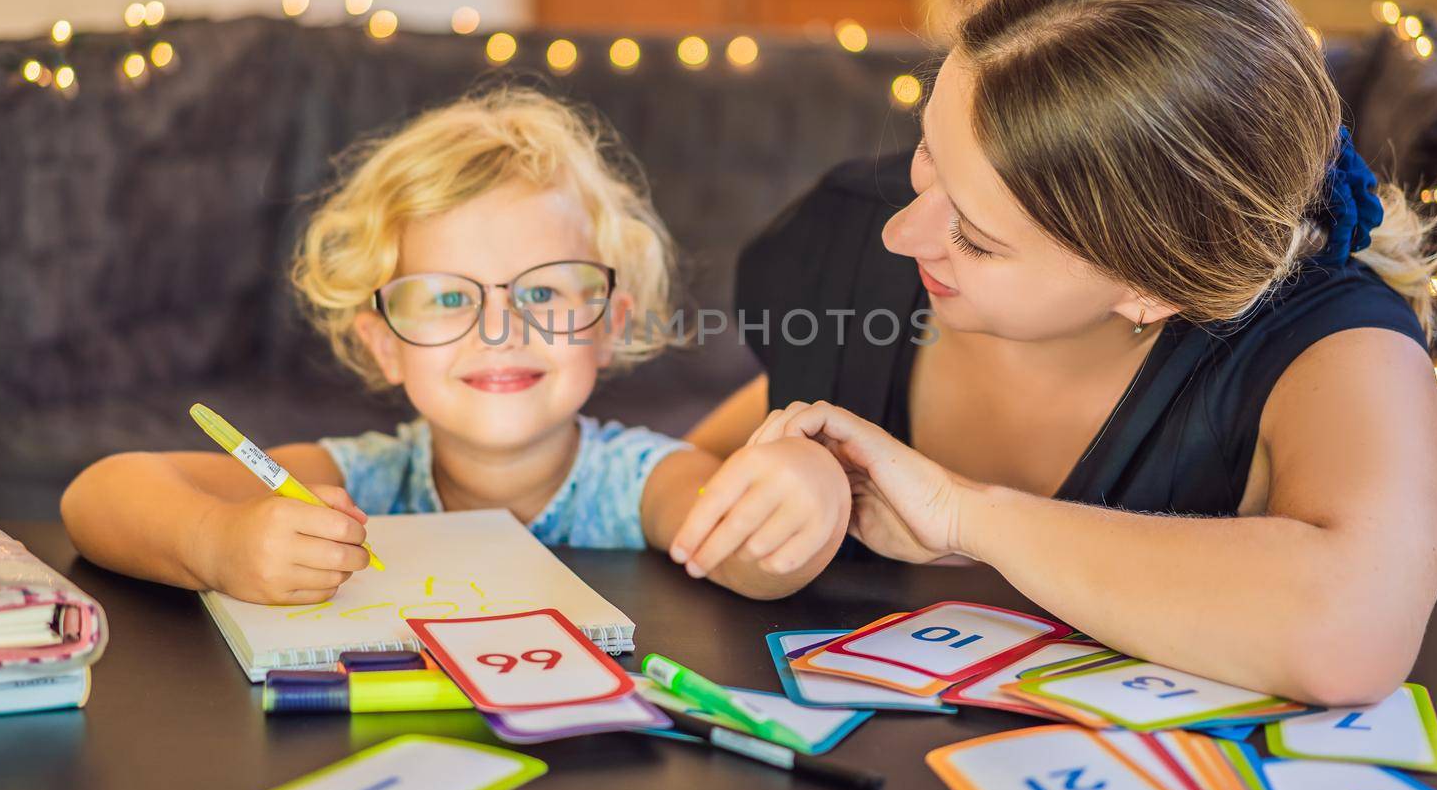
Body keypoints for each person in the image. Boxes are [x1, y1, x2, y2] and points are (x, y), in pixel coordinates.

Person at [677, 0, 1437, 706]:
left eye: (975, 239)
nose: (901, 232)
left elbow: (1353, 629)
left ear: (1149, 288)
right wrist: (795, 484)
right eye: (928, 155)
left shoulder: (1333, 346)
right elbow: (697, 460)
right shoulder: (850, 249)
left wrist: (965, 516)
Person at [62, 89, 849, 604]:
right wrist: (220, 543)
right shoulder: (359, 480)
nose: (499, 328)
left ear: (609, 322)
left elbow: (754, 556)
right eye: (447, 297)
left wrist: (811, 490)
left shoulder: (640, 481)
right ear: (384, 346)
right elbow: (96, 495)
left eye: (541, 291)